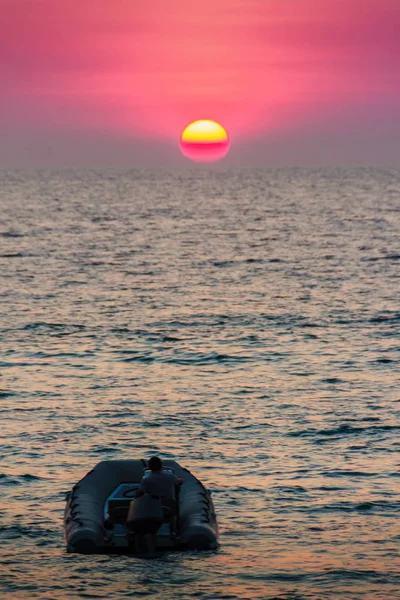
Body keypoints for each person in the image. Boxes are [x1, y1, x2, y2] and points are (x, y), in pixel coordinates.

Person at [132, 456, 183, 553]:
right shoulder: (170, 476)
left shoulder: (147, 479)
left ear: (149, 467)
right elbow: (178, 482)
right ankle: (174, 530)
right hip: (169, 506)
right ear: (161, 466)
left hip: (153, 507)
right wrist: (181, 480)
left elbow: (140, 493)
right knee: (173, 510)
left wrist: (134, 498)